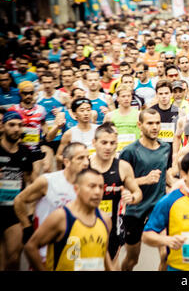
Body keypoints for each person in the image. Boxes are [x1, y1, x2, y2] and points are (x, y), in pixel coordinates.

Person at [24, 168, 114, 271]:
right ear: (76, 189)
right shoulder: (61, 218)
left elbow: (103, 252)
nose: (97, 192)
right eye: (92, 186)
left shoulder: (105, 219)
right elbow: (31, 247)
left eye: (101, 187)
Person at [14, 142, 89, 264]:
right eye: (80, 158)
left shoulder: (86, 184)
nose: (86, 163)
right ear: (66, 162)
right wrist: (27, 227)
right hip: (45, 251)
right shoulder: (48, 181)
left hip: (73, 251)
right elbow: (19, 200)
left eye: (87, 158)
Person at [119, 109, 171, 271]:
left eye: (157, 123)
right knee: (132, 259)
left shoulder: (166, 148)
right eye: (150, 123)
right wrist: (145, 180)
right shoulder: (129, 151)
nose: (155, 127)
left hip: (158, 208)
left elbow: (167, 175)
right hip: (135, 211)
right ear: (139, 125)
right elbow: (121, 183)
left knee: (165, 255)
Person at [89, 122, 142, 266]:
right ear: (94, 143)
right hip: (87, 224)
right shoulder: (85, 166)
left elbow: (138, 193)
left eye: (112, 143)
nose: (108, 147)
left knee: (112, 265)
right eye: (104, 142)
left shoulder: (123, 167)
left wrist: (132, 198)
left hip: (114, 228)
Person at [0, 111, 36, 270]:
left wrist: (29, 211)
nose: (16, 129)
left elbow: (29, 180)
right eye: (12, 125)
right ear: (3, 127)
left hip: (14, 210)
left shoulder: (25, 152)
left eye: (19, 125)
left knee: (13, 258)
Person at [56, 98, 98, 167]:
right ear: (74, 114)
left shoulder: (99, 129)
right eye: (82, 110)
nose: (86, 113)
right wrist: (74, 161)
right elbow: (58, 156)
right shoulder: (69, 133)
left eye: (88, 110)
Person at [104, 85, 140, 153]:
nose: (126, 99)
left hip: (135, 152)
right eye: (123, 96)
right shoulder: (109, 116)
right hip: (116, 152)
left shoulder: (139, 115)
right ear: (117, 98)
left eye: (128, 96)